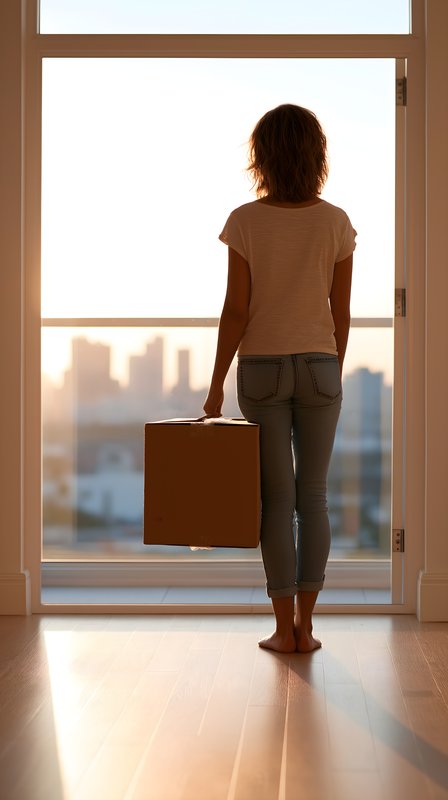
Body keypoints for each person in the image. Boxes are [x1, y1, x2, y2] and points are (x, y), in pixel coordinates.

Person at [203, 104, 356, 653]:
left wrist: (217, 381)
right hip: (320, 364)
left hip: (263, 368)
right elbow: (340, 314)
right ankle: (308, 629)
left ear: (261, 156)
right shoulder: (336, 221)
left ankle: (281, 627)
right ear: (317, 155)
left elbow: (235, 311)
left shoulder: (245, 220)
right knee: (312, 497)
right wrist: (329, 371)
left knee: (276, 498)